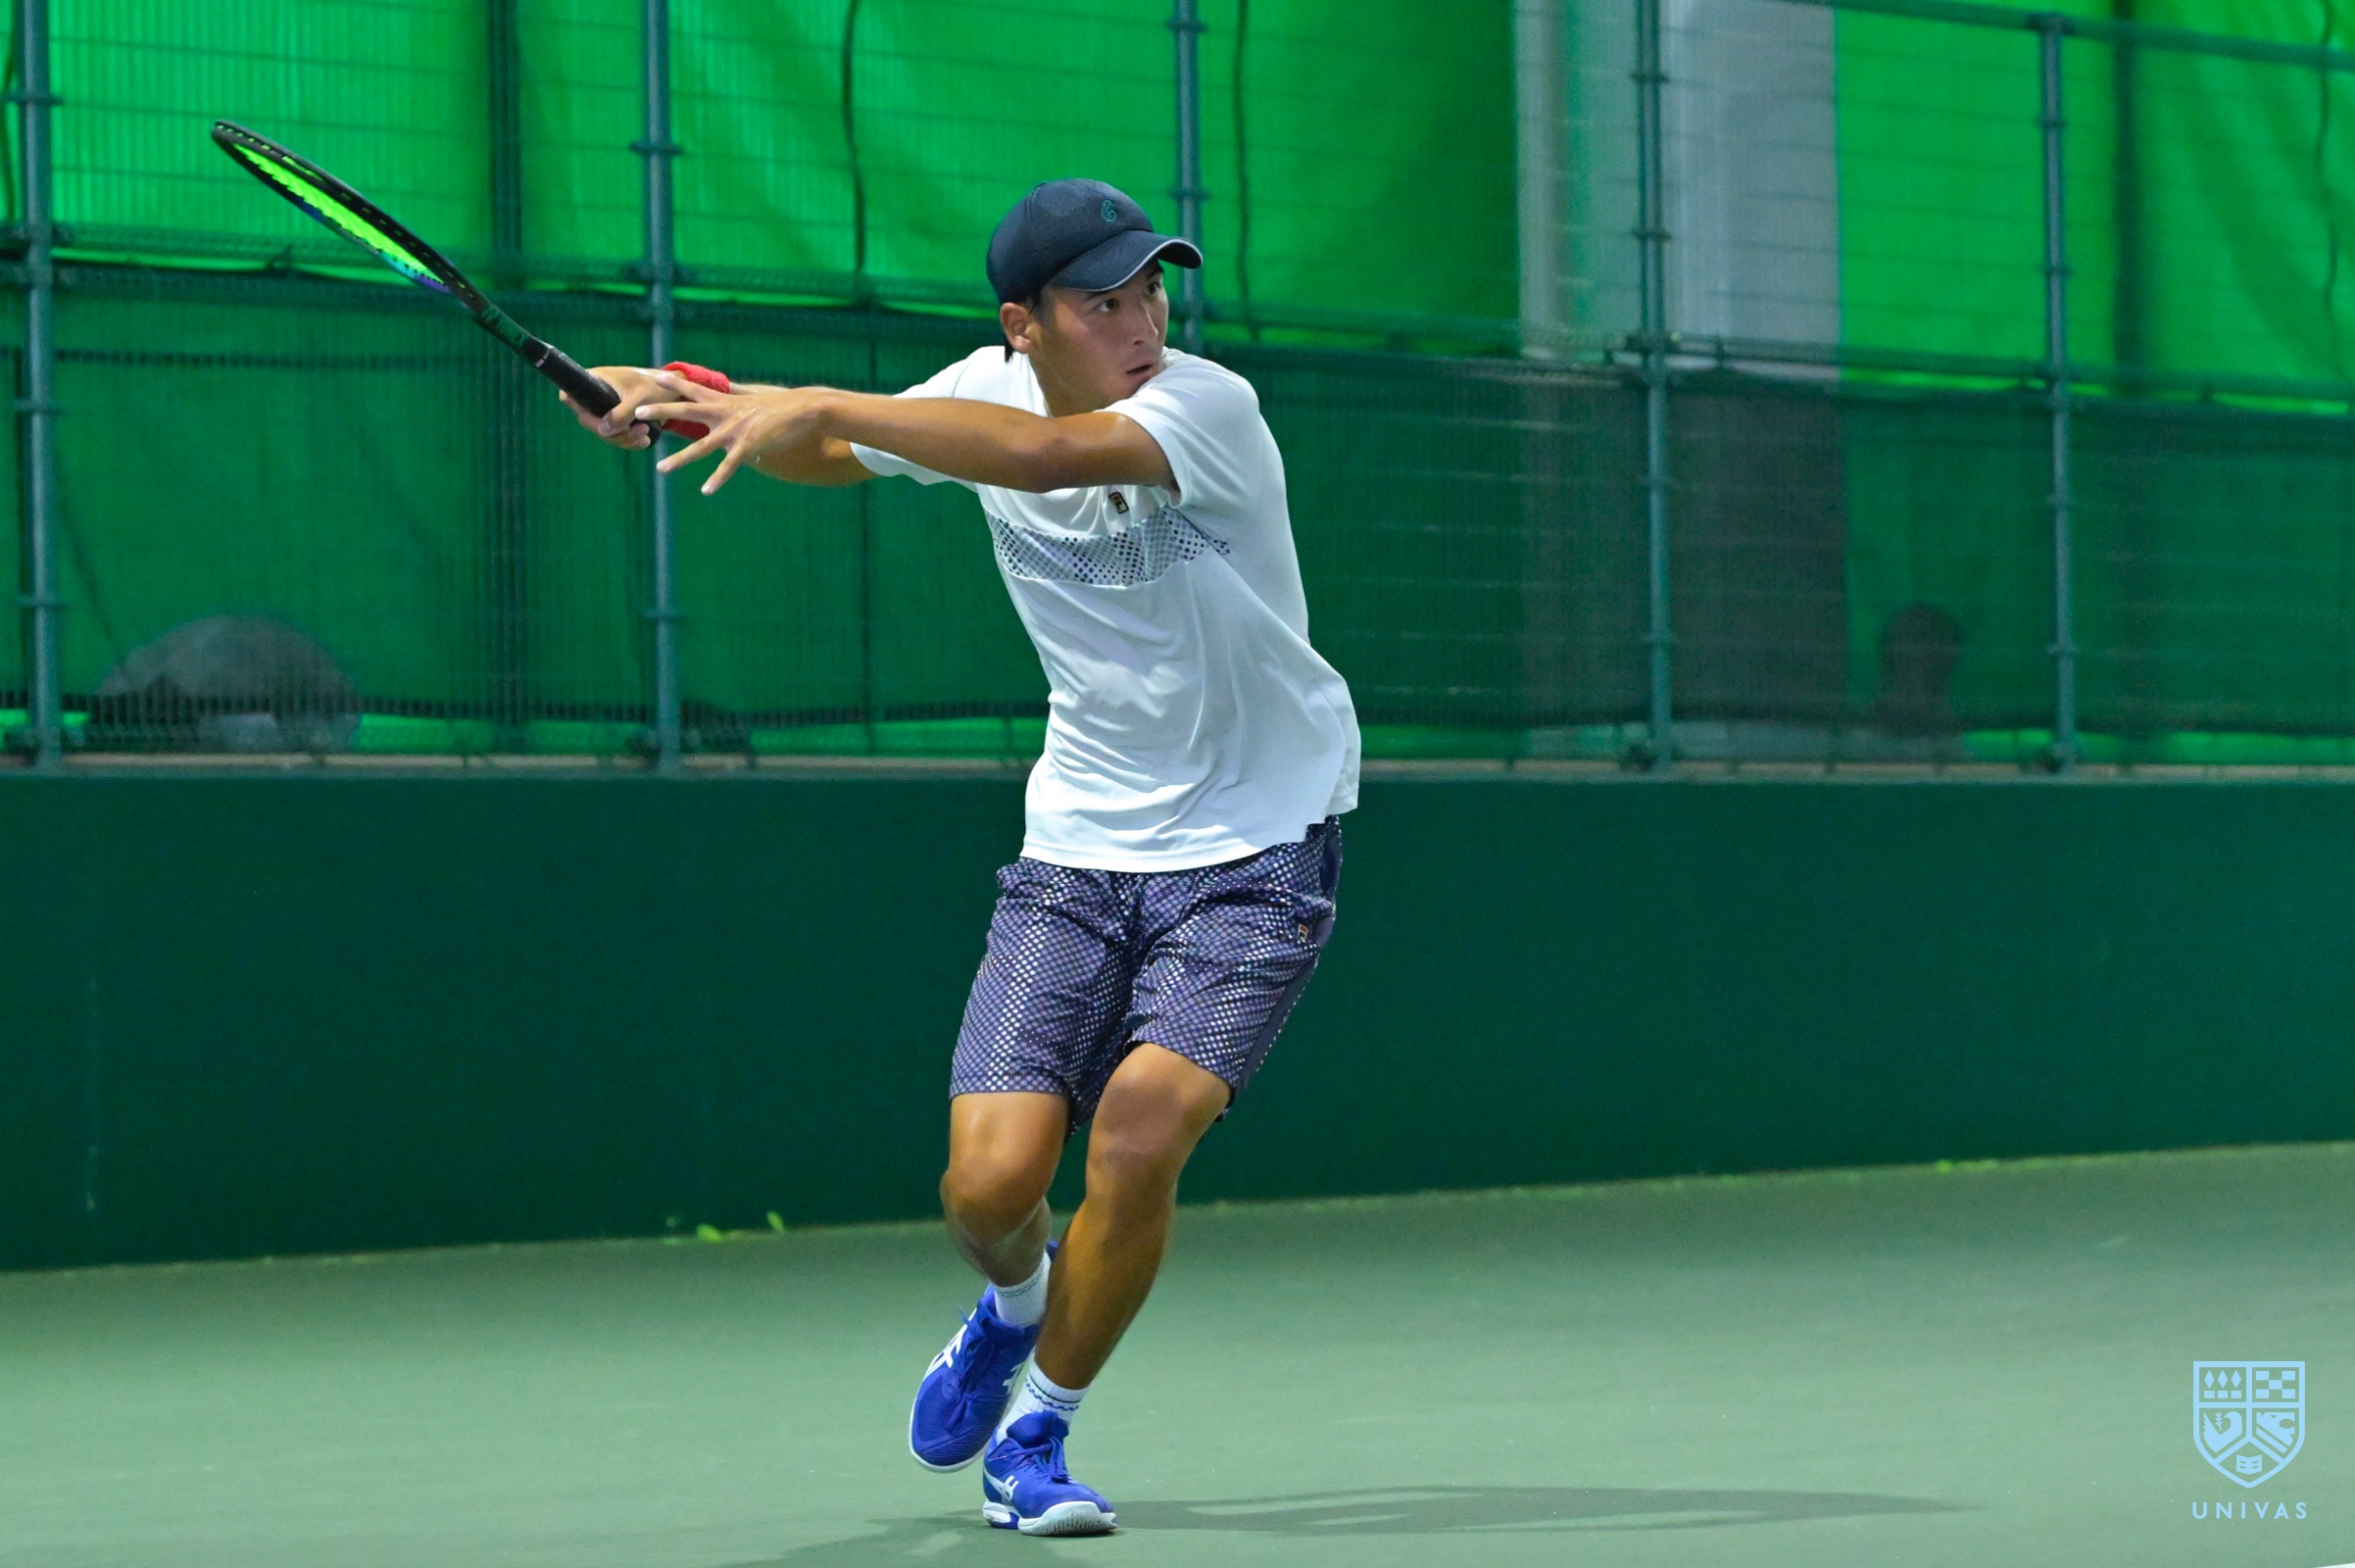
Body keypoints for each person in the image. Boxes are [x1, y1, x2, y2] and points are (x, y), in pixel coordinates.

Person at [567, 178, 1358, 1538]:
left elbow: (1039, 458)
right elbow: (837, 452)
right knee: (988, 1188)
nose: (1142, 323)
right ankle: (1012, 1305)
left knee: (1141, 1134)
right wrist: (694, 404)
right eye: (1102, 303)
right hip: (1080, 847)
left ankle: (1037, 1433)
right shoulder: (972, 394)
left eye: (1151, 293)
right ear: (1022, 324)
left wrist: (816, 400)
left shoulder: (1205, 409)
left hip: (1259, 840)